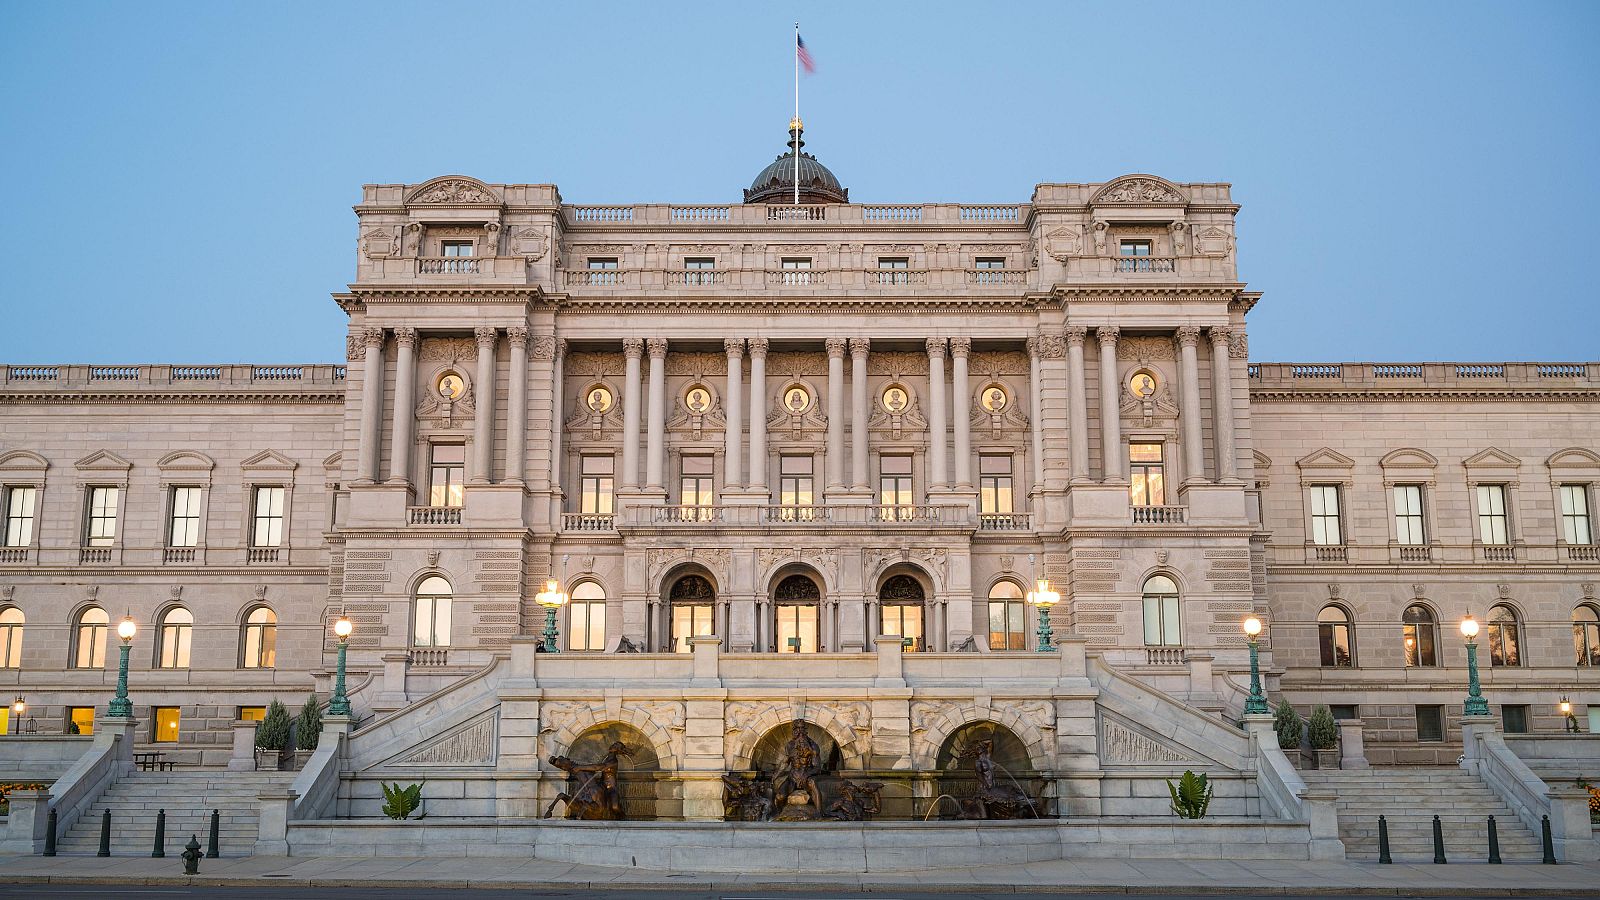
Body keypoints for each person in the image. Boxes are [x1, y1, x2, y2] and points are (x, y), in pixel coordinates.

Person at [544, 740, 631, 820]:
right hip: (601, 784)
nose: (613, 745)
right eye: (614, 744)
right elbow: (593, 767)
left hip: (611, 788)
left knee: (615, 806)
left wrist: (580, 767)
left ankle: (622, 817)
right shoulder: (608, 758)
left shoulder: (613, 761)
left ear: (618, 750)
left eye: (616, 745)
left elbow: (599, 767)